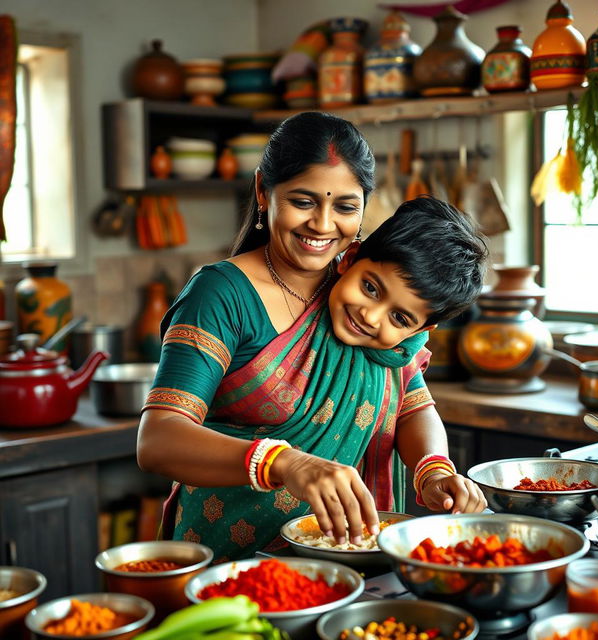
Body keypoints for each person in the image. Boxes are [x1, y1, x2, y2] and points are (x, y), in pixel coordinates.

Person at [137, 111, 487, 561]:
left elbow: (411, 404)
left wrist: (434, 470)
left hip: (344, 556)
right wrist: (284, 462)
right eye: (304, 201)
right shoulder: (222, 294)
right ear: (264, 192)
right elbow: (158, 440)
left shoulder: (354, 289)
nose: (322, 225)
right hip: (232, 560)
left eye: (344, 206)